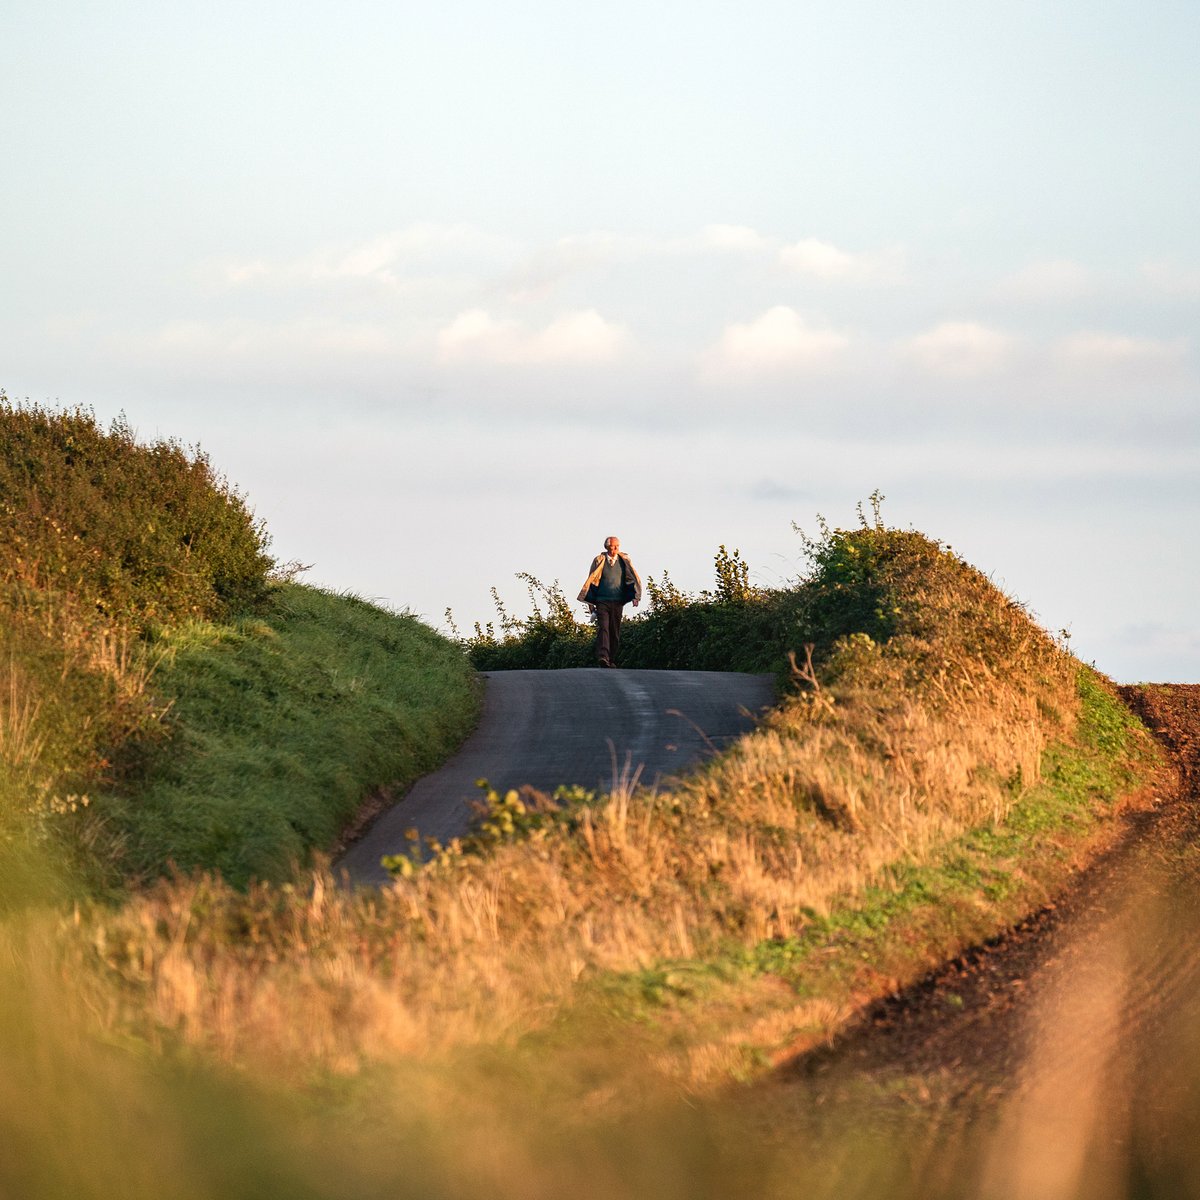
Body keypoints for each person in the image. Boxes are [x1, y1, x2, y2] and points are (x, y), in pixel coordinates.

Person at [577, 535, 642, 668]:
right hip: (602, 601)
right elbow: (591, 580)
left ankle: (611, 659)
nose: (614, 549)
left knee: (615, 631)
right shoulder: (599, 560)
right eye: (612, 546)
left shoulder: (624, 561)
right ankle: (603, 657)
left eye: (616, 546)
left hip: (618, 601)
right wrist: (591, 604)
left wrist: (636, 596)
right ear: (606, 547)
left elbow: (632, 579)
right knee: (604, 628)